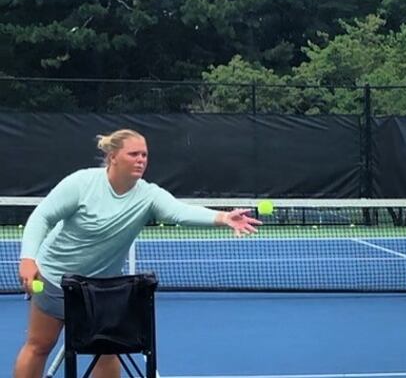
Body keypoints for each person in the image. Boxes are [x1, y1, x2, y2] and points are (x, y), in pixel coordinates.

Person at [14, 129, 262, 378]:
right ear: (113, 157)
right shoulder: (81, 183)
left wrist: (223, 217)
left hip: (102, 287)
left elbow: (179, 211)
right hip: (56, 278)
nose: (141, 159)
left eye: (144, 154)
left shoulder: (148, 195)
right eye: (133, 154)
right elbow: (42, 217)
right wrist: (28, 258)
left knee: (107, 350)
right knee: (40, 345)